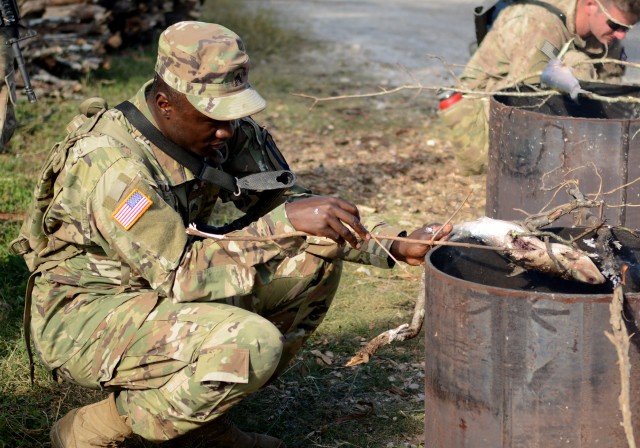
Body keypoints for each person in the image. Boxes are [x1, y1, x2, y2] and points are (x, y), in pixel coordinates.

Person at [10, 21, 451, 448]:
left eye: (235, 113)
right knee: (251, 342)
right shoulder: (111, 166)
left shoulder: (222, 132)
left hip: (161, 286)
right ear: (165, 103)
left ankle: (200, 418)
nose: (226, 130)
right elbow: (182, 275)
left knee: (316, 250)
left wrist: (395, 240)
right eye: (214, 116)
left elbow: (288, 201)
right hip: (87, 313)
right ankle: (95, 426)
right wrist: (285, 223)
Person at [441, 0, 640, 175]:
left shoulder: (607, 35)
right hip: (481, 117)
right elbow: (525, 101)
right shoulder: (540, 23)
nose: (621, 35)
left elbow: (611, 95)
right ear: (590, 4)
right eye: (615, 25)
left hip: (536, 113)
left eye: (627, 27)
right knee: (574, 64)